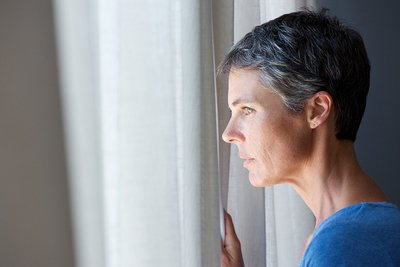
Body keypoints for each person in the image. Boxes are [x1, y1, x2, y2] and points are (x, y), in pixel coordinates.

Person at [218, 9, 400, 267]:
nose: (229, 134)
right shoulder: (363, 232)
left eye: (247, 110)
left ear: (316, 110)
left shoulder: (343, 247)